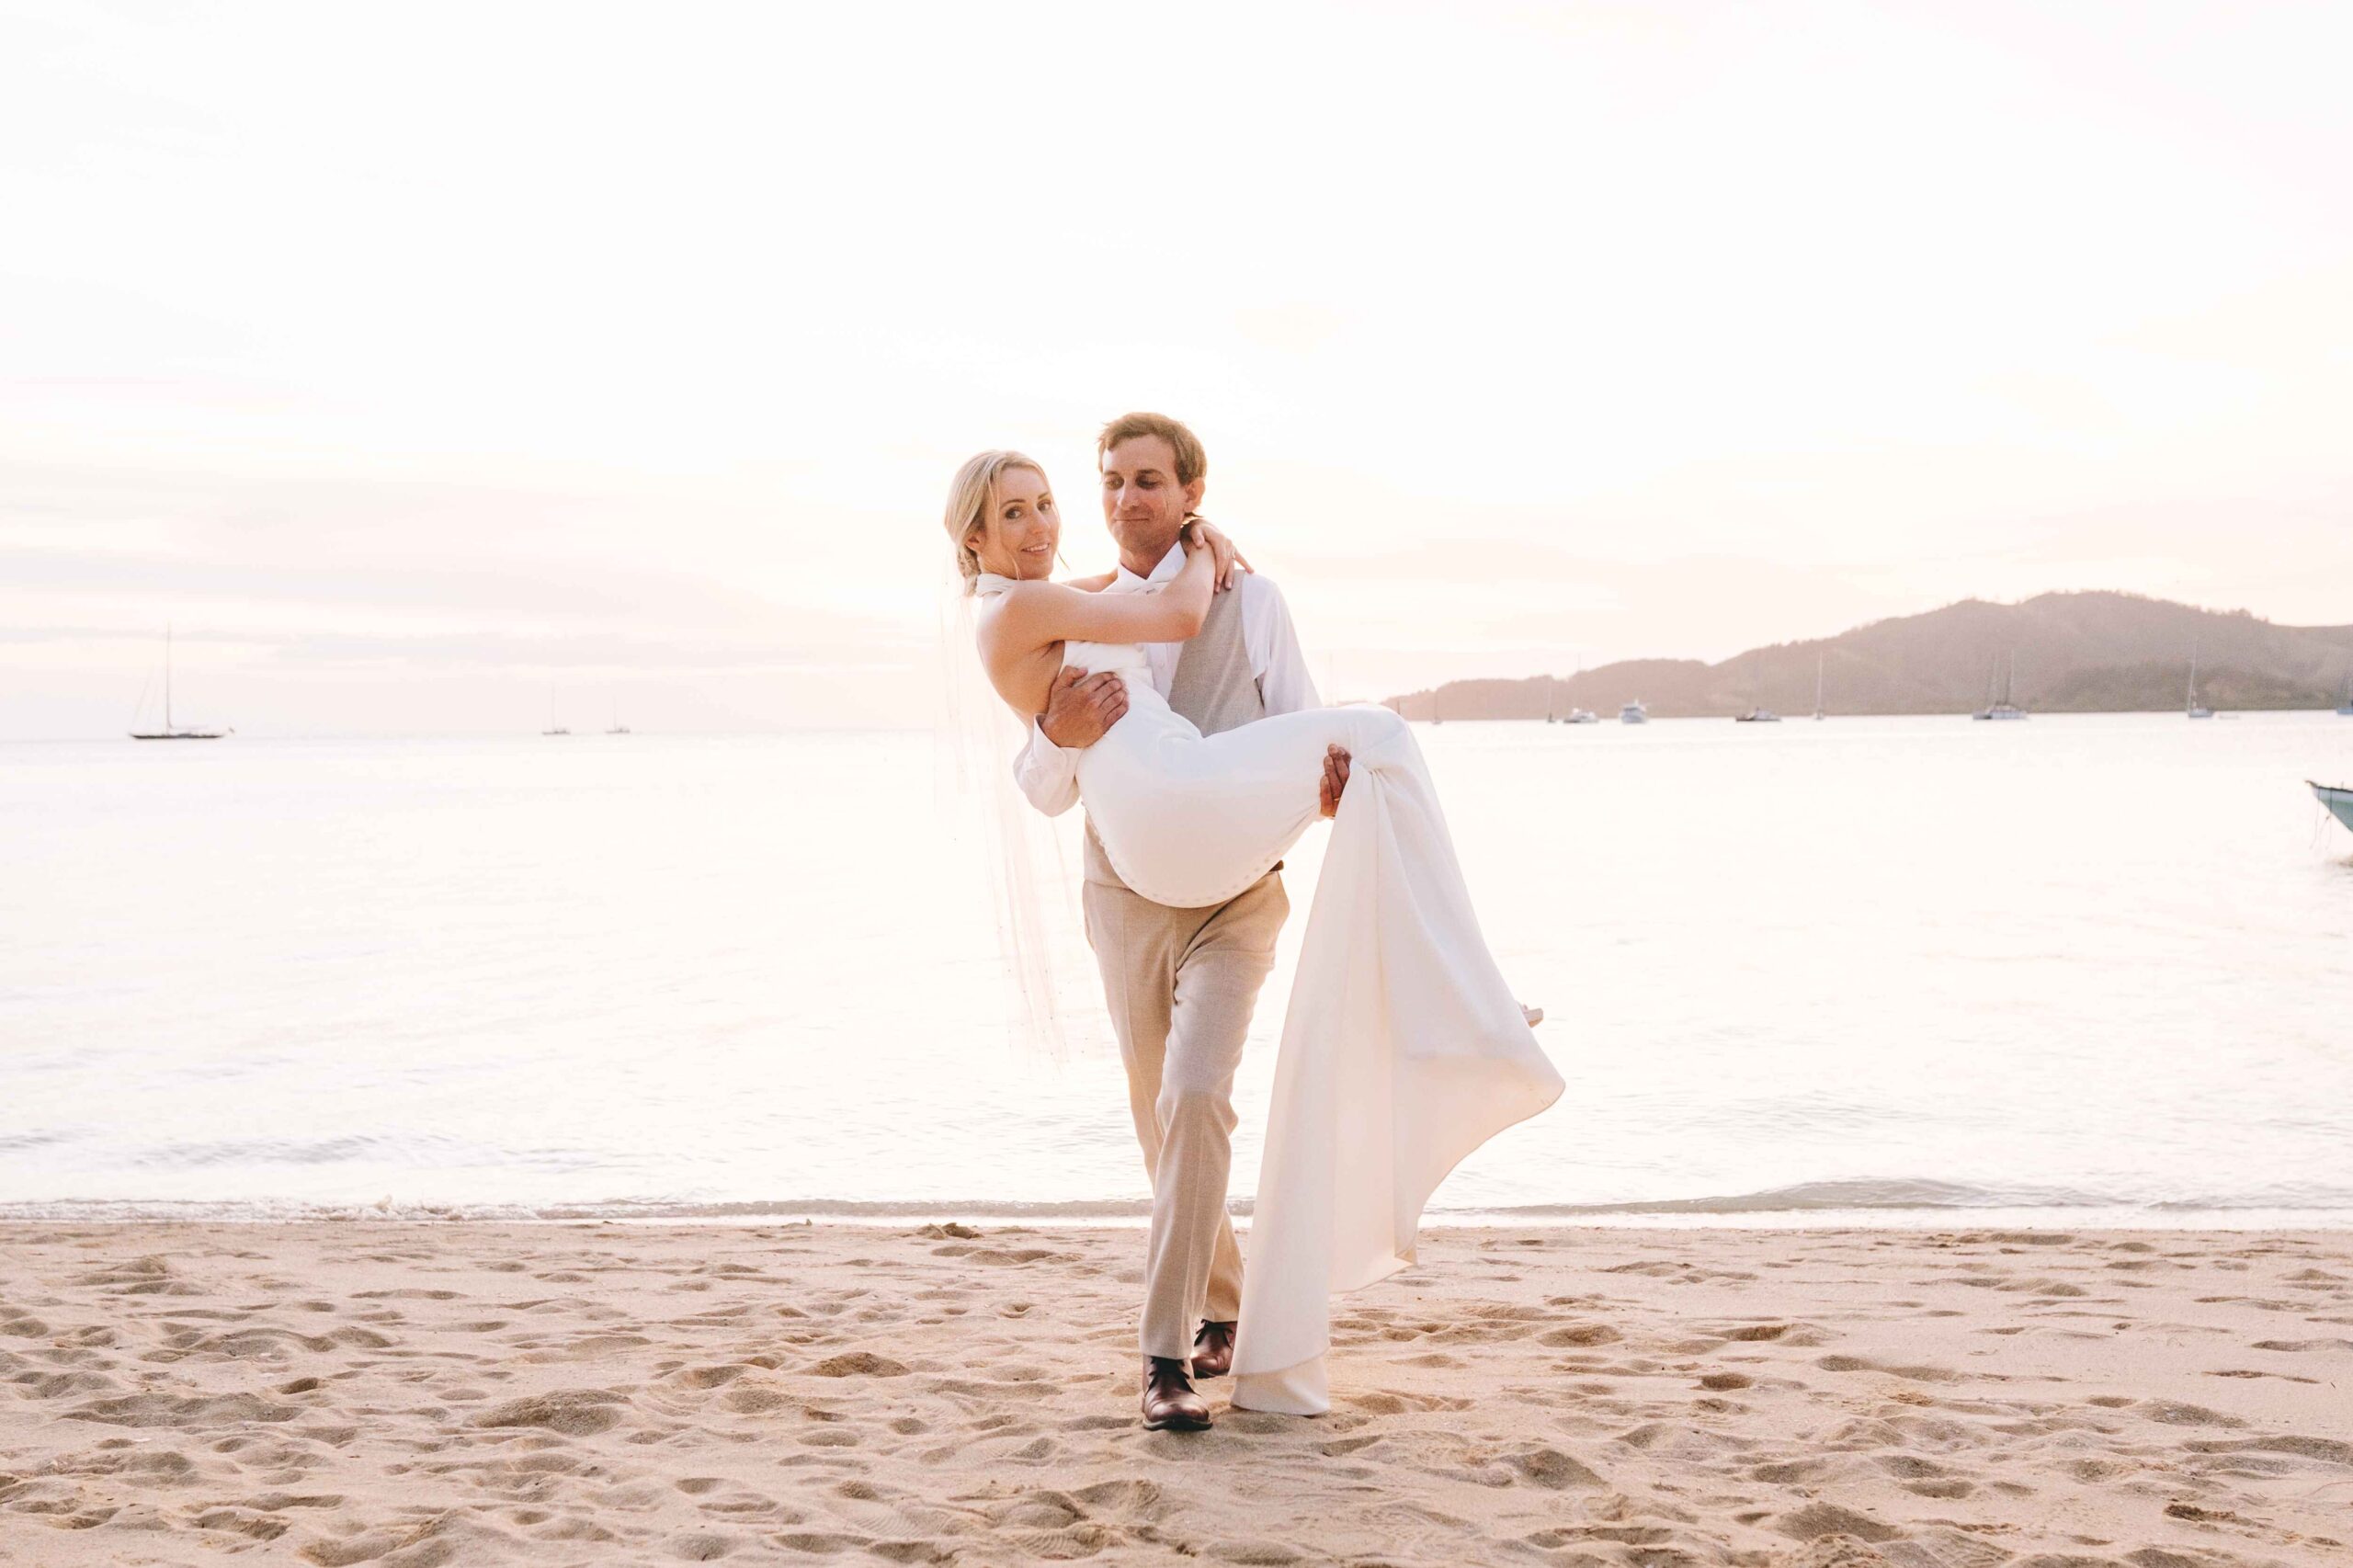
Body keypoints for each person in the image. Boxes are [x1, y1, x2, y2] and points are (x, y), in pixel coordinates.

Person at [945, 418, 1563, 1429]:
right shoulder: (1085, 602)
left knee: (1197, 1094)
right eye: (1107, 483)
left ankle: (1164, 1358)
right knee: (1164, 1117)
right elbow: (1042, 783)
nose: (1119, 500)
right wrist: (1057, 734)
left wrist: (1320, 796)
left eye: (1146, 482)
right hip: (1125, 893)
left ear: (1190, 491)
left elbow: (1303, 730)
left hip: (1234, 893)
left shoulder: (1249, 599)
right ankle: (1224, 1303)